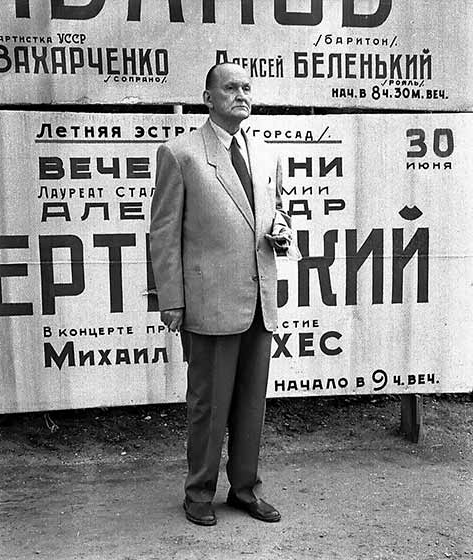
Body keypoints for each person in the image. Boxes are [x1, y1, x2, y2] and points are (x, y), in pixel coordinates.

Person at [149, 62, 297, 526]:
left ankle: (245, 489)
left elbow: (281, 211)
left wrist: (284, 231)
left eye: (246, 87)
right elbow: (162, 232)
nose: (241, 93)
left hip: (259, 301)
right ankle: (198, 493)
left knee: (252, 404)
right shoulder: (181, 153)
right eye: (230, 87)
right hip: (209, 304)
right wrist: (170, 299)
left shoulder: (266, 153)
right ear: (208, 98)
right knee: (208, 407)